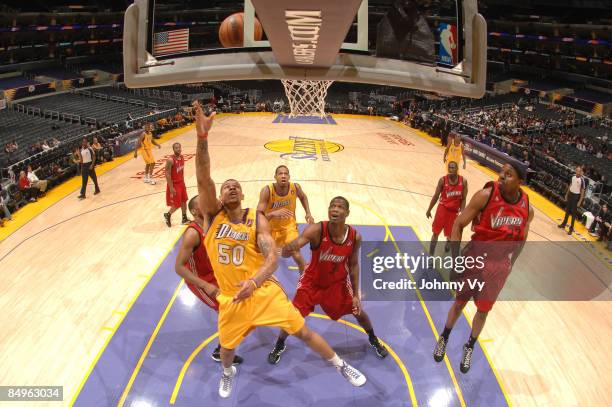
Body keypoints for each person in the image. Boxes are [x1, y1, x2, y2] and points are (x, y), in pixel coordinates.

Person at [192, 101, 366, 398]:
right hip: (231, 298)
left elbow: (272, 257)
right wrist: (202, 139)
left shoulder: (255, 218)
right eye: (226, 187)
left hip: (263, 291)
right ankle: (227, 372)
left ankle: (340, 365)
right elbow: (203, 175)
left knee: (303, 331)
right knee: (227, 348)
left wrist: (255, 281)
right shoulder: (212, 216)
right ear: (218, 197)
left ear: (243, 193)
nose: (231, 188)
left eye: (236, 186)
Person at [433, 163, 533, 373]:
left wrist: (512, 262)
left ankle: (469, 346)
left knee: (483, 311)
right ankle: (444, 336)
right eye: (502, 172)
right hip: (476, 258)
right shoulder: (485, 195)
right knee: (459, 303)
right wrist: (456, 260)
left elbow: (523, 237)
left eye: (509, 174)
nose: (502, 176)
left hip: (498, 266)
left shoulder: (527, 208)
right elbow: (458, 224)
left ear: (520, 181)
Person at [268, 196, 388, 364]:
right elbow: (292, 249)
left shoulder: (355, 237)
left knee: (358, 311)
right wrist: (287, 248)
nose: (335, 209)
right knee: (293, 316)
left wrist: (355, 294)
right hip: (312, 282)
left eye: (339, 207)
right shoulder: (316, 230)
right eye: (332, 206)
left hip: (337, 284)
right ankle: (280, 344)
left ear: (347, 212)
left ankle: (373, 338)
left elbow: (353, 265)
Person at [174, 195, 243, 364]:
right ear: (195, 211)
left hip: (216, 274)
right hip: (200, 280)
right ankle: (221, 351)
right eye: (204, 203)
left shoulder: (213, 222)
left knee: (235, 309)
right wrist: (205, 285)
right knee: (228, 312)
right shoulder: (192, 233)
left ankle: (225, 343)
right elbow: (179, 267)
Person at [256, 165, 313, 273]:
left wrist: (308, 213)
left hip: (289, 227)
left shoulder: (295, 187)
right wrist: (273, 213)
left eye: (285, 174)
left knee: (295, 252)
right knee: (266, 257)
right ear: (275, 176)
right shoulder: (267, 191)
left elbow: (303, 197)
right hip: (270, 229)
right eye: (280, 174)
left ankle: (304, 282)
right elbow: (259, 217)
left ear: (289, 176)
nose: (283, 176)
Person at [426, 161, 468, 253]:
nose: (451, 169)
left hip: (454, 212)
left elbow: (464, 199)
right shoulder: (442, 180)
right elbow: (436, 196)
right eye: (449, 167)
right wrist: (429, 209)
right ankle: (430, 255)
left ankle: (448, 242)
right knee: (435, 233)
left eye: (453, 167)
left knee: (451, 235)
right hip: (442, 209)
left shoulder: (463, 181)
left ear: (457, 169)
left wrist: (462, 212)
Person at [164, 142, 189, 227]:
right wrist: (171, 187)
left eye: (179, 147)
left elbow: (181, 170)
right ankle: (168, 214)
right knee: (177, 203)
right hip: (174, 184)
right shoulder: (170, 160)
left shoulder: (182, 157)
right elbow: (167, 174)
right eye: (176, 148)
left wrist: (183, 180)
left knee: (184, 200)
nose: (178, 149)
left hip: (181, 183)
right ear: (173, 149)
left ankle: (184, 218)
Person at [558, 165, 585, 235]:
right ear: (576, 170)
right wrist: (567, 194)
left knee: (573, 213)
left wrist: (580, 201)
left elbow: (582, 192)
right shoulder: (573, 176)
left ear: (581, 172)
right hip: (570, 194)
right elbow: (570, 185)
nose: (578, 172)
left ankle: (571, 228)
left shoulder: (582, 180)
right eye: (577, 170)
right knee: (567, 211)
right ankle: (563, 224)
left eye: (579, 171)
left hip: (576, 196)